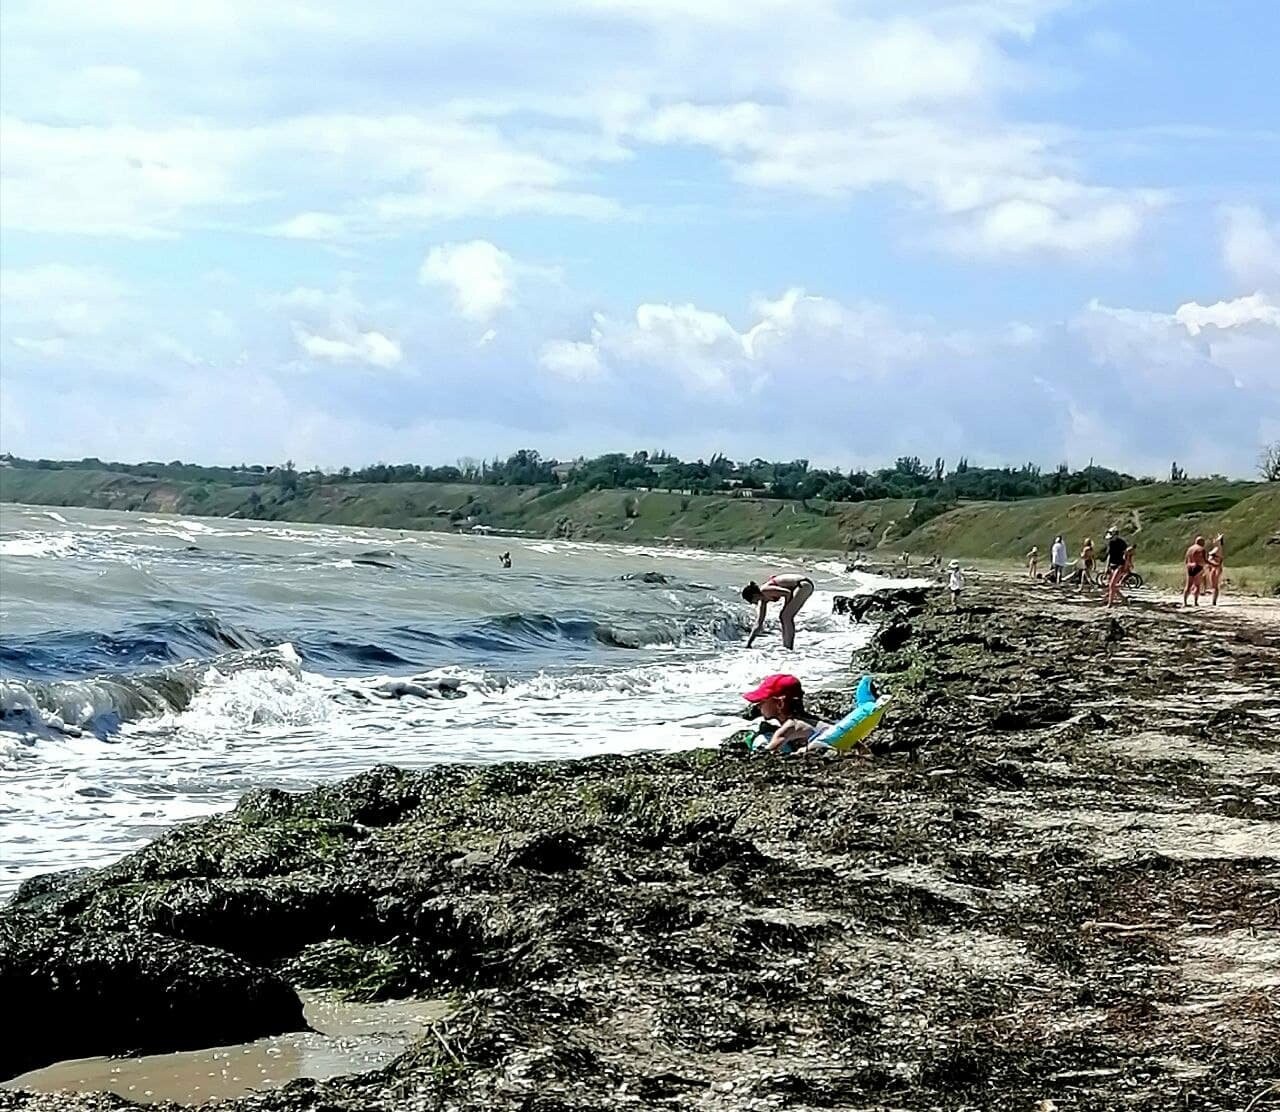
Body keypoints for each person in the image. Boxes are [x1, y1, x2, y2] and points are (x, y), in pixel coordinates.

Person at [742, 673, 824, 754]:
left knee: (761, 740)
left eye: (762, 702)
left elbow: (768, 751)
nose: (758, 706)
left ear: (780, 704)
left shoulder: (792, 725)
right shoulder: (811, 721)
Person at [743, 573, 815, 650]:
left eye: (751, 601)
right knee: (785, 616)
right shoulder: (762, 600)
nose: (753, 603)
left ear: (754, 595)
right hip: (801, 586)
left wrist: (785, 607)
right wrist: (749, 643)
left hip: (803, 584)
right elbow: (759, 623)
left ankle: (788, 647)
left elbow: (787, 592)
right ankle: (787, 645)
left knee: (785, 616)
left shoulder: (764, 590)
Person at [1107, 541, 1135, 609]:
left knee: (1112, 585)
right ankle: (1122, 599)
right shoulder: (1127, 555)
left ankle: (1110, 603)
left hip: (1120, 568)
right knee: (1112, 585)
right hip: (1120, 568)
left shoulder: (1127, 555)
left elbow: (1127, 563)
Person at [1183, 535, 1208, 606]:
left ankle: (1185, 602)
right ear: (1201, 542)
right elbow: (1205, 560)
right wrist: (1213, 564)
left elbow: (1186, 560)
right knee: (1197, 585)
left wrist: (1188, 565)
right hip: (1198, 566)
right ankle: (1195, 602)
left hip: (1190, 566)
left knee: (1188, 585)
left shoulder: (1189, 549)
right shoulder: (1201, 549)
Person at [1206, 534, 1225, 606]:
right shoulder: (1215, 548)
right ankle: (1213, 599)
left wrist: (1220, 537)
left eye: (1215, 539)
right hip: (1212, 567)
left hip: (1216, 567)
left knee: (1215, 585)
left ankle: (1214, 601)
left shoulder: (1218, 548)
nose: (1214, 540)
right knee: (1213, 584)